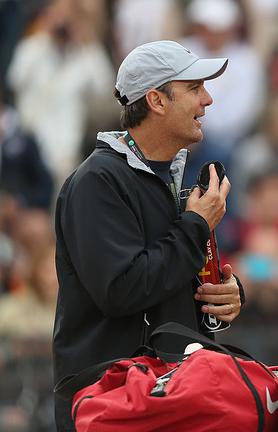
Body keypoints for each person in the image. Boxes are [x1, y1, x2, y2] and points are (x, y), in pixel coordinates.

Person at [53, 40, 244, 431]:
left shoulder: (170, 180)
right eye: (194, 88)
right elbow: (122, 290)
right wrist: (195, 227)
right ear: (156, 101)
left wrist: (224, 297)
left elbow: (165, 284)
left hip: (163, 400)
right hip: (110, 406)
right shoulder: (97, 181)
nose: (207, 99)